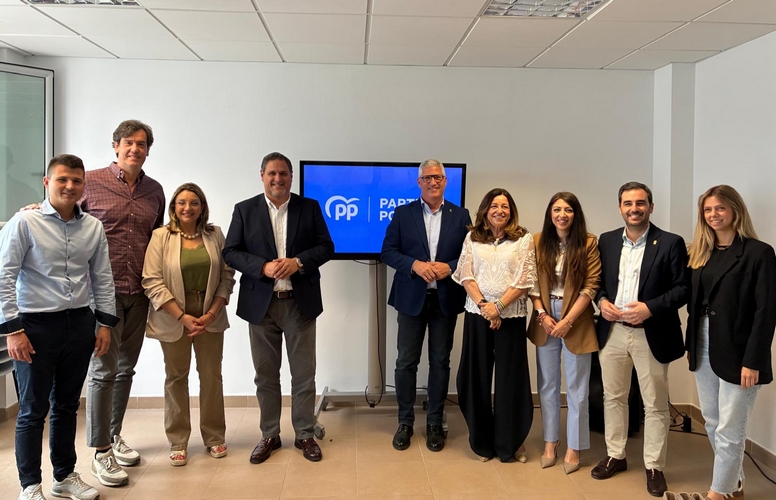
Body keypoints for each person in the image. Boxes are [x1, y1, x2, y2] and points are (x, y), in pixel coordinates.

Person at [0, 154, 119, 500]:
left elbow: (102, 277)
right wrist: (13, 330)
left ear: (84, 186)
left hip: (79, 323)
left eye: (76, 181)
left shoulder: (92, 227)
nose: (70, 186)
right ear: (47, 182)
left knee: (67, 406)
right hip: (34, 326)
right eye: (62, 179)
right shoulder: (25, 222)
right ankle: (30, 485)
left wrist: (104, 324)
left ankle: (64, 476)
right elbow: (4, 277)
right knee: (33, 409)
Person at [665, 185, 776, 500]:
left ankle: (717, 494)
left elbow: (766, 312)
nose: (713, 215)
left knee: (730, 426)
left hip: (740, 349)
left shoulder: (758, 252)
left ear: (735, 210)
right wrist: (691, 344)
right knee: (712, 422)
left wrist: (753, 360)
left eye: (720, 208)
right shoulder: (701, 252)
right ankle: (733, 487)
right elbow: (695, 303)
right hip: (703, 343)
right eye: (708, 210)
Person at [223, 152, 334, 464]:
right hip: (261, 307)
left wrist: (298, 262)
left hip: (300, 304)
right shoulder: (244, 210)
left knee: (304, 375)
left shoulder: (309, 207)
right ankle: (269, 434)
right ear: (262, 176)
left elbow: (327, 247)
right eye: (271, 173)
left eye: (283, 173)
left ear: (291, 177)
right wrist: (262, 267)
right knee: (266, 376)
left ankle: (305, 434)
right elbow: (230, 252)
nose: (277, 179)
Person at [80, 120, 165, 487]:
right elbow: (60, 214)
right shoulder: (89, 182)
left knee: (126, 369)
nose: (135, 149)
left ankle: (113, 436)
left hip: (139, 292)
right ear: (115, 146)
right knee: (103, 371)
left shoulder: (155, 191)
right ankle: (100, 452)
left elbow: (157, 238)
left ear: (148, 150)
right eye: (129, 142)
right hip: (101, 293)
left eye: (141, 144)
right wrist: (36, 208)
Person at [591, 181, 690, 497]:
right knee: (613, 397)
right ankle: (616, 456)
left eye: (640, 203)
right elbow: (597, 282)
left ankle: (654, 466)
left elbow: (682, 288)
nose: (634, 209)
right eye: (628, 203)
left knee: (655, 404)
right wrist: (601, 301)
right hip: (613, 331)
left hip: (652, 333)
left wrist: (650, 308)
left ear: (650, 206)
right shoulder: (607, 240)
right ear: (620, 207)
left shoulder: (671, 242)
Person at [142, 183, 236, 466]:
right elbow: (151, 280)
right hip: (173, 315)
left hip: (209, 314)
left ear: (202, 207)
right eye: (182, 202)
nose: (187, 207)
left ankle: (215, 437)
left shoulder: (215, 234)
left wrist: (211, 313)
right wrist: (181, 316)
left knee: (212, 376)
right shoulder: (161, 236)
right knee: (176, 377)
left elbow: (227, 276)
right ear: (174, 207)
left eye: (194, 202)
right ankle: (178, 440)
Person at [380, 159, 471, 452]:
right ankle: (405, 422)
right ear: (419, 182)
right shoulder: (403, 213)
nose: (433, 182)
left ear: (446, 181)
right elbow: (387, 252)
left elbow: (470, 257)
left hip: (445, 300)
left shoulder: (461, 215)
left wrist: (450, 267)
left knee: (440, 362)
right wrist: (414, 265)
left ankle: (434, 422)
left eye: (438, 177)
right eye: (428, 178)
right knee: (406, 362)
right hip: (411, 299)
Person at [452, 188, 537, 463]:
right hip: (478, 314)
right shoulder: (472, 237)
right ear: (485, 210)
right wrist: (485, 307)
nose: (499, 210)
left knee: (510, 379)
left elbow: (525, 279)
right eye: (494, 206)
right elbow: (466, 275)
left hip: (511, 316)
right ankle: (482, 441)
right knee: (475, 376)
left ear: (511, 211)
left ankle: (510, 442)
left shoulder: (523, 239)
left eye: (505, 206)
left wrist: (498, 307)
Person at [527, 192, 601, 474]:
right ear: (550, 213)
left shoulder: (588, 242)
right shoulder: (537, 241)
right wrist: (542, 314)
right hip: (544, 317)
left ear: (575, 214)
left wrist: (568, 320)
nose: (562, 215)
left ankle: (574, 447)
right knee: (547, 385)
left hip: (576, 318)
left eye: (568, 210)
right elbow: (531, 282)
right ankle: (550, 442)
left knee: (577, 389)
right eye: (557, 209)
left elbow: (591, 285)